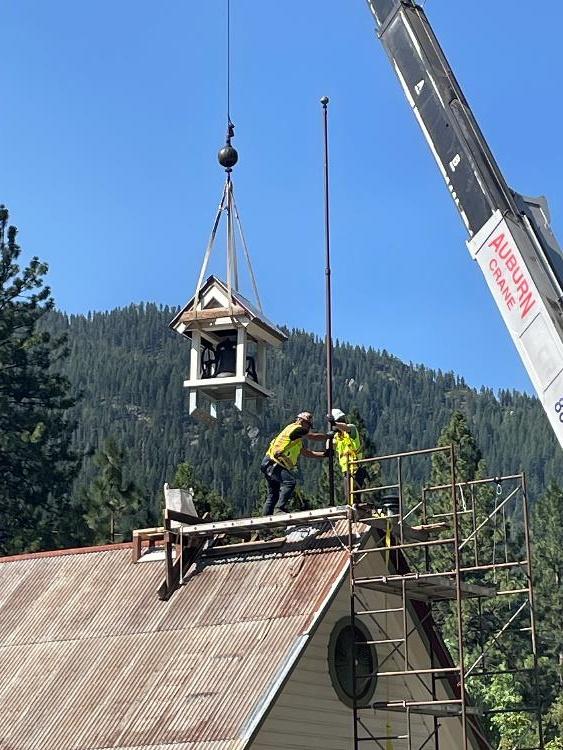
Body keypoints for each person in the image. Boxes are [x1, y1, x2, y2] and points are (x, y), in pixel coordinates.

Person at [261, 411, 326, 515]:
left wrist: (324, 455)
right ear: (300, 420)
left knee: (273, 494)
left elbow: (306, 453)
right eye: (307, 424)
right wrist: (329, 436)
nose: (308, 427)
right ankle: (279, 509)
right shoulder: (296, 429)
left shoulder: (296, 439)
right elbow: (312, 436)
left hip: (270, 463)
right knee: (290, 482)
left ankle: (264, 524)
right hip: (275, 463)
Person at [329, 408, 368, 503]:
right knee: (349, 496)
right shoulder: (337, 436)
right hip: (346, 470)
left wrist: (335, 424)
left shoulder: (351, 429)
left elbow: (346, 428)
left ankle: (356, 506)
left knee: (354, 496)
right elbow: (330, 447)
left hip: (356, 467)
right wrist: (328, 437)